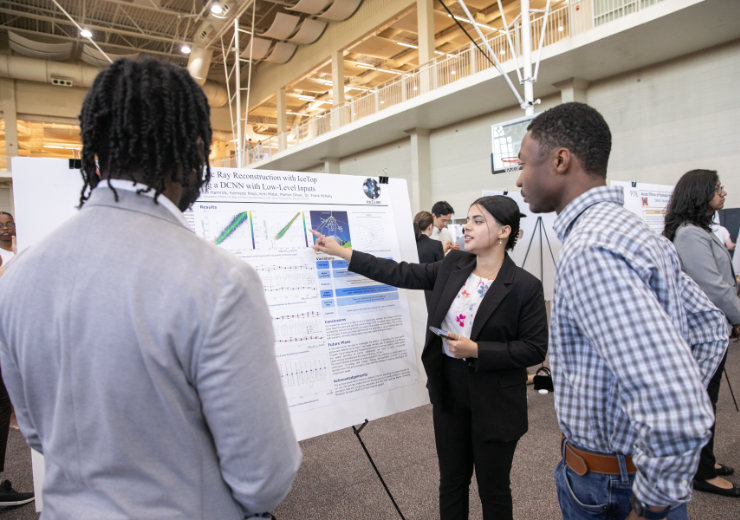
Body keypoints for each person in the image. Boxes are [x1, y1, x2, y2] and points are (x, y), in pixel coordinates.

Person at [0, 58, 301, 519]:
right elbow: (264, 477)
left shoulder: (18, 277)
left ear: (97, 148)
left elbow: (37, 433)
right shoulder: (220, 282)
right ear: (192, 148)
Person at [516, 102, 727, 520]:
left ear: (560, 160)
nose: (519, 179)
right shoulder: (633, 232)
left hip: (613, 488)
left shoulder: (591, 248)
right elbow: (710, 330)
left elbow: (678, 407)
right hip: (622, 474)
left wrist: (649, 504)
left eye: (523, 164)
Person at [312, 195, 548, 520]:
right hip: (448, 392)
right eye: (467, 219)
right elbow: (401, 273)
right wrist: (342, 252)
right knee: (451, 483)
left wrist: (477, 350)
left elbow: (534, 348)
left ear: (504, 231)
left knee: (493, 490)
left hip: (495, 401)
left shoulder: (524, 286)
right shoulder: (454, 265)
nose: (466, 226)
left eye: (478, 221)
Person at [663, 170, 740, 498]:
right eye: (717, 188)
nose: (723, 193)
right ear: (700, 193)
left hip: (712, 330)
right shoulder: (689, 234)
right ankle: (701, 472)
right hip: (702, 334)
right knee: (702, 401)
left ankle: (701, 463)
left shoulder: (698, 230)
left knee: (707, 399)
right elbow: (713, 286)